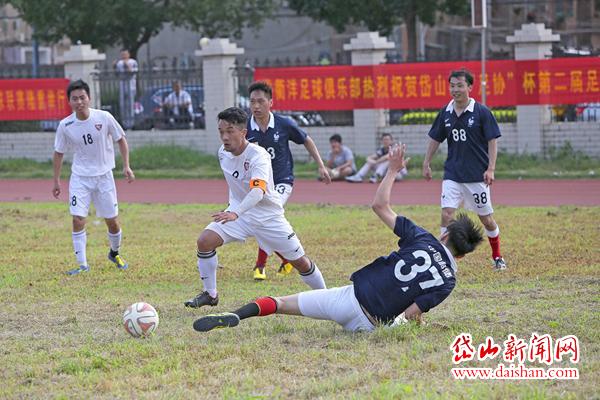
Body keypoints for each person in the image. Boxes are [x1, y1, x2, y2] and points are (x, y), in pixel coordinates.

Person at [192, 143, 484, 333]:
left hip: (349, 298)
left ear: (445, 233)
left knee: (279, 303)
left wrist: (393, 170)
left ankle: (238, 315)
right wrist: (408, 325)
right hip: (371, 325)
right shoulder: (448, 282)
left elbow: (380, 206)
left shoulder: (424, 238)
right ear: (462, 255)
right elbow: (410, 313)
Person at [184, 107, 327, 308]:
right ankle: (210, 294)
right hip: (239, 216)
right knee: (205, 241)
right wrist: (234, 211)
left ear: (243, 133)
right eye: (221, 132)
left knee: (300, 262)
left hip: (268, 217)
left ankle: (327, 297)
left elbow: (258, 192)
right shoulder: (222, 154)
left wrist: (236, 212)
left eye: (230, 131)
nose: (224, 137)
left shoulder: (258, 156)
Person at [422, 68, 507, 271]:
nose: (455, 89)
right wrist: (426, 162)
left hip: (477, 176)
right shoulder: (446, 112)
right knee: (446, 215)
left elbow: (492, 140)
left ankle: (497, 256)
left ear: (469, 87)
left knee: (486, 219)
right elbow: (435, 138)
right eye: (452, 85)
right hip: (452, 174)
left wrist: (491, 168)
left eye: (460, 85)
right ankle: (444, 260)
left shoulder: (481, 112)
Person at [246, 81, 331, 281]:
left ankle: (260, 265)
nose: (256, 106)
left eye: (260, 101)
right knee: (261, 220)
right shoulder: (245, 128)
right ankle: (286, 259)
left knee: (266, 217)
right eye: (252, 102)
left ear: (270, 102)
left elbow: (306, 140)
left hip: (283, 181)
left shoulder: (284, 124)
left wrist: (320, 165)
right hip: (259, 183)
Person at [52, 79, 135, 275]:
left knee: (112, 221)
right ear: (69, 102)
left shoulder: (104, 117)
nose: (79, 102)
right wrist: (56, 180)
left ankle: (114, 253)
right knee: (78, 219)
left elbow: (121, 140)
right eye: (74, 99)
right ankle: (82, 265)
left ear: (89, 98)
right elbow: (58, 153)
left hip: (104, 177)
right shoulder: (65, 125)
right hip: (80, 178)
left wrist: (126, 166)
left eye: (82, 97)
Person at [113, 49, 138, 130]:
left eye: (125, 54)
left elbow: (134, 72)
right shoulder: (119, 63)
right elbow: (116, 74)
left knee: (130, 104)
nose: (124, 56)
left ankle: (131, 123)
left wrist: (127, 66)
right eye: (122, 54)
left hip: (131, 85)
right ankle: (124, 124)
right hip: (122, 84)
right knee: (122, 104)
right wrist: (114, 66)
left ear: (128, 54)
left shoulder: (133, 62)